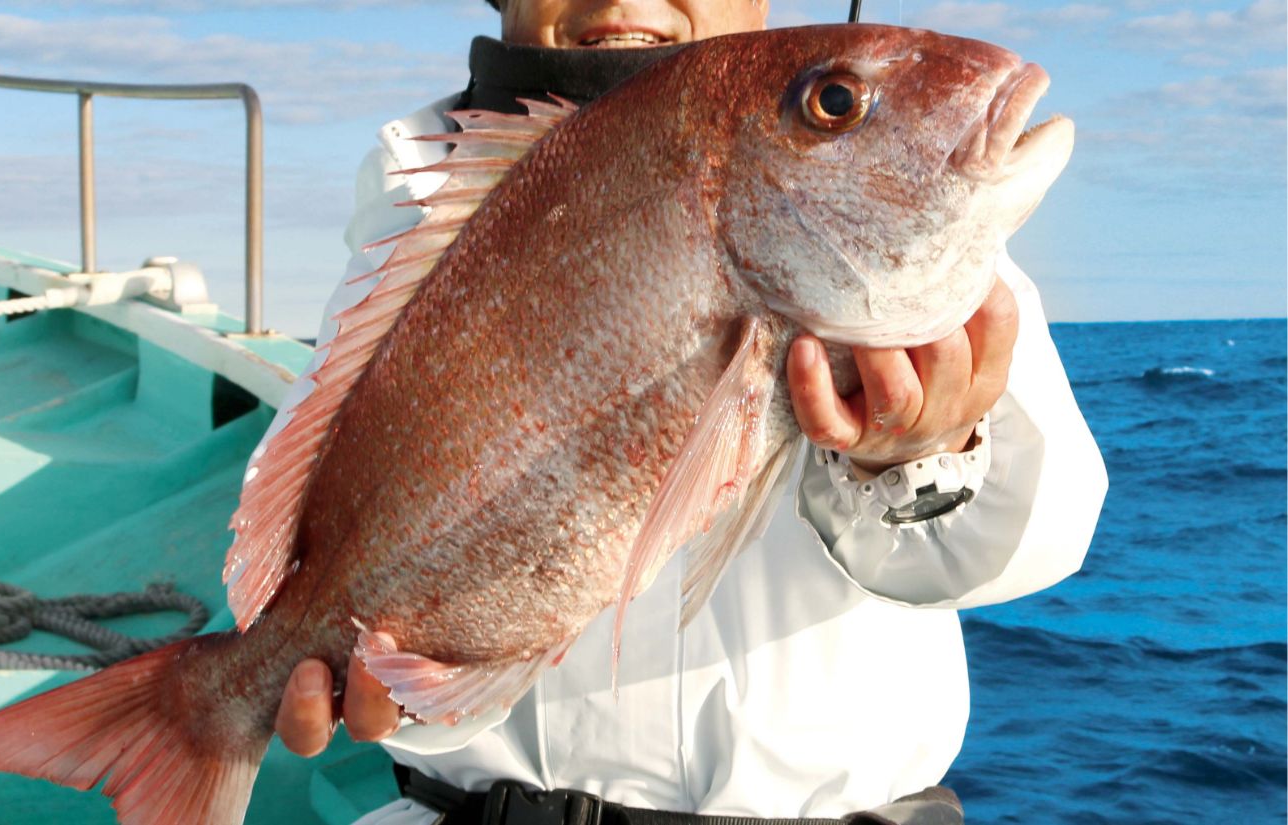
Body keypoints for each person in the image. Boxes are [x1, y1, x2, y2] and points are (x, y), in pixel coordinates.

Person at [268, 0, 1108, 821]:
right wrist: (413, 689)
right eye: (837, 104)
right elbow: (359, 531)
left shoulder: (906, 231)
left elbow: (1038, 534)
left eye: (834, 103)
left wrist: (922, 457)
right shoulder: (421, 203)